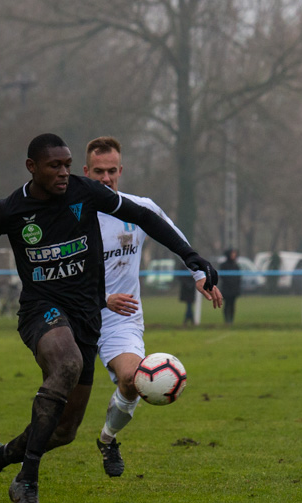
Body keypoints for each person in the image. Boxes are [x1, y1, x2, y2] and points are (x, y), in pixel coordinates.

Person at [0, 133, 218, 503]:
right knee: (68, 363)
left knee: (64, 430)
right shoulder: (10, 209)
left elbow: (144, 217)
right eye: (54, 166)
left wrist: (191, 257)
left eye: (67, 165)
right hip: (42, 310)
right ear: (32, 168)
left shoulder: (85, 193)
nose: (63, 172)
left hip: (88, 316)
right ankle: (27, 481)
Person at [83, 136, 223, 477]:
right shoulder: (70, 216)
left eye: (112, 171)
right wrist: (100, 298)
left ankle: (108, 439)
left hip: (120, 319)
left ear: (121, 170)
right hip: (75, 316)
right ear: (85, 172)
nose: (105, 178)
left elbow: (173, 236)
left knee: (132, 380)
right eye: (98, 172)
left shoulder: (139, 208)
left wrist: (198, 273)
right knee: (62, 407)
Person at [219, 249, 241, 324]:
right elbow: (223, 277)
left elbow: (239, 277)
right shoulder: (223, 265)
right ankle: (226, 320)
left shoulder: (236, 265)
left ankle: (231, 320)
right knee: (226, 304)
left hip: (234, 289)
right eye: (232, 254)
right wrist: (230, 282)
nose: (234, 255)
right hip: (226, 289)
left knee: (232, 305)